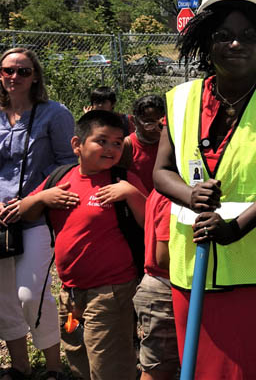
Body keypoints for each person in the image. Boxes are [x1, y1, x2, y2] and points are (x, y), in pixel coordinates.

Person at [153, 0, 256, 380]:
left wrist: (237, 227)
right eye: (223, 35)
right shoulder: (180, 99)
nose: (236, 44)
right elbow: (161, 172)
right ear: (206, 42)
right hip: (195, 271)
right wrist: (191, 197)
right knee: (205, 370)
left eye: (248, 35)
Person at [18, 110, 147, 380]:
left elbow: (151, 224)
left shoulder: (122, 180)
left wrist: (132, 194)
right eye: (102, 140)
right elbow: (26, 212)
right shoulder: (61, 178)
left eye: (117, 141)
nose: (111, 148)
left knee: (108, 361)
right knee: (76, 352)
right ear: (77, 145)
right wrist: (43, 197)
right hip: (71, 292)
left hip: (111, 292)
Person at [0, 47, 76, 380]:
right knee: (3, 297)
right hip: (1, 218)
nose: (14, 77)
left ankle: (54, 368)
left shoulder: (53, 114)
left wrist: (36, 198)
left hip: (35, 215)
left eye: (23, 71)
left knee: (29, 294)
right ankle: (19, 366)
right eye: (7, 70)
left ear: (36, 76)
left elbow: (68, 166)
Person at [134, 184, 178, 380]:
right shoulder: (173, 197)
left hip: (158, 287)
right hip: (164, 290)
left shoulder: (162, 188)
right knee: (158, 369)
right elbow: (164, 257)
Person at [118, 94, 166, 194]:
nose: (156, 128)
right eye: (149, 122)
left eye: (160, 122)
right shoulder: (127, 146)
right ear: (134, 121)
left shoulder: (168, 145)